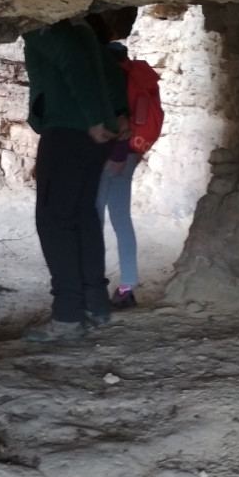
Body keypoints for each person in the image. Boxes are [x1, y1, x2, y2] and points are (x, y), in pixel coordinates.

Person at [21, 16, 129, 343]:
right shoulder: (82, 29)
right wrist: (117, 112)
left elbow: (72, 61)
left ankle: (68, 316)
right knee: (83, 218)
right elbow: (107, 69)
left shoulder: (46, 24)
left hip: (68, 130)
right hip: (93, 138)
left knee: (55, 221)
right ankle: (96, 305)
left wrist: (95, 117)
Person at [96, 41, 140, 309]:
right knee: (122, 219)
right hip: (129, 155)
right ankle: (128, 287)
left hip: (112, 157)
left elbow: (122, 120)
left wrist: (118, 155)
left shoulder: (113, 79)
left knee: (95, 218)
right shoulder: (134, 76)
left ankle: (94, 284)